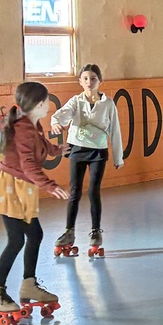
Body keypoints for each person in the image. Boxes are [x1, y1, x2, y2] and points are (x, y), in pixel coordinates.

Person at [0, 82, 69, 316]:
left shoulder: (32, 125)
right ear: (40, 104)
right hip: (12, 188)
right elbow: (28, 164)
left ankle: (28, 285)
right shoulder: (24, 128)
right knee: (16, 240)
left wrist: (58, 150)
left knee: (35, 234)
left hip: (22, 187)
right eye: (48, 100)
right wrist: (50, 186)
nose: (49, 104)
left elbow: (40, 146)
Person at [50, 64, 123, 257]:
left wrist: (118, 156)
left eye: (93, 79)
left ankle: (96, 232)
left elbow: (115, 130)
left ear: (100, 81)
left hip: (98, 149)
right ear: (80, 81)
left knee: (93, 190)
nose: (89, 82)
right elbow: (61, 114)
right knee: (74, 191)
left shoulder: (108, 104)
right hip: (77, 147)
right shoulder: (76, 101)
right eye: (85, 79)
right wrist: (56, 123)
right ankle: (69, 231)